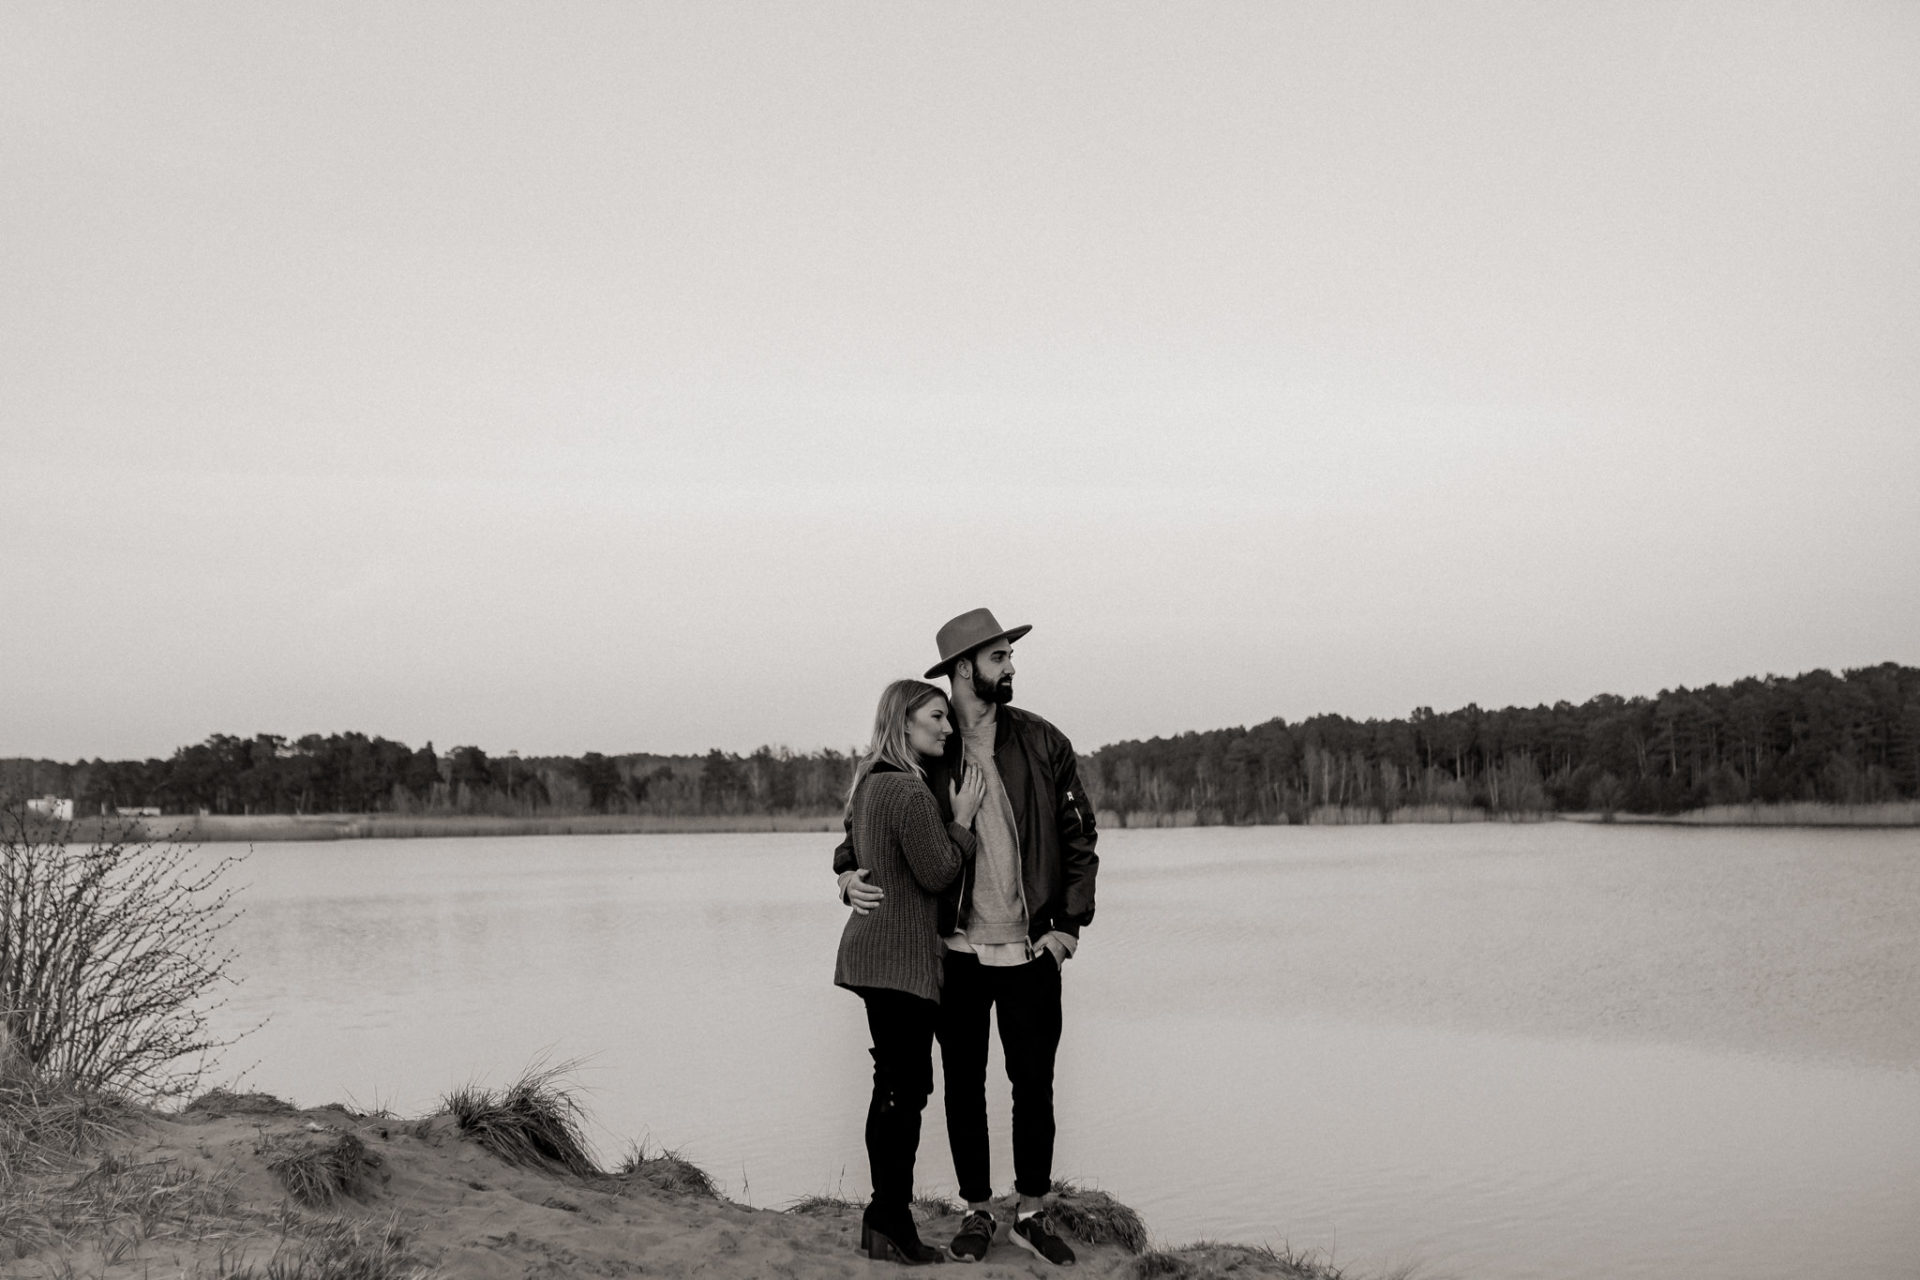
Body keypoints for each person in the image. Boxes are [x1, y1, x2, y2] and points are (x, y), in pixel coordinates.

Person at [837, 609, 1099, 1267]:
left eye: (1010, 656)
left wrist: (1068, 927)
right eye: (999, 657)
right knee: (962, 1086)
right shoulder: (928, 746)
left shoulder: (1041, 740)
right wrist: (846, 875)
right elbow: (862, 826)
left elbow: (1080, 836)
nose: (1011, 667)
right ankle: (977, 1210)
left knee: (1033, 1082)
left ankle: (1031, 1213)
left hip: (1032, 946)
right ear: (964, 668)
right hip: (953, 949)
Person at [834, 678, 988, 1265]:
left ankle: (882, 1219)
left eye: (947, 718)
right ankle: (892, 1219)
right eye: (936, 718)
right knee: (905, 1090)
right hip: (898, 959)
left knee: (893, 1087)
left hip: (874, 954)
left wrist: (846, 878)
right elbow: (939, 872)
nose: (948, 728)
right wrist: (963, 820)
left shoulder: (871, 780)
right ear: (904, 723)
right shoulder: (906, 789)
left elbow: (866, 856)